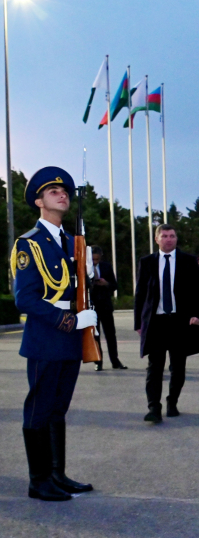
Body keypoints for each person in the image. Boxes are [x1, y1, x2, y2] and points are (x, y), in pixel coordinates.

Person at [10, 167, 97, 501]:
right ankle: (39, 480)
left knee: (58, 409)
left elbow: (76, 290)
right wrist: (69, 321)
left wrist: (88, 280)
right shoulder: (29, 243)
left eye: (65, 192)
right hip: (47, 337)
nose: (62, 195)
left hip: (70, 339)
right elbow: (26, 299)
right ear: (39, 201)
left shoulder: (72, 243)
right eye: (53, 192)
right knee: (39, 409)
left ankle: (57, 474)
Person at [134, 224, 199, 424]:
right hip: (156, 322)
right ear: (157, 239)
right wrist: (138, 322)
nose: (169, 239)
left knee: (178, 367)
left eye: (172, 236)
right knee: (154, 367)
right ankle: (153, 407)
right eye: (165, 236)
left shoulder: (188, 261)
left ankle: (172, 401)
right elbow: (140, 293)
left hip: (180, 322)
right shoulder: (147, 262)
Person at [90, 246, 127, 370]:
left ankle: (115, 361)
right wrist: (91, 284)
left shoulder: (106, 267)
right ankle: (98, 361)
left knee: (110, 334)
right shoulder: (84, 267)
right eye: (93, 259)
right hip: (92, 306)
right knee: (95, 335)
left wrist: (106, 283)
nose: (95, 262)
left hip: (105, 305)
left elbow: (114, 285)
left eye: (97, 259)